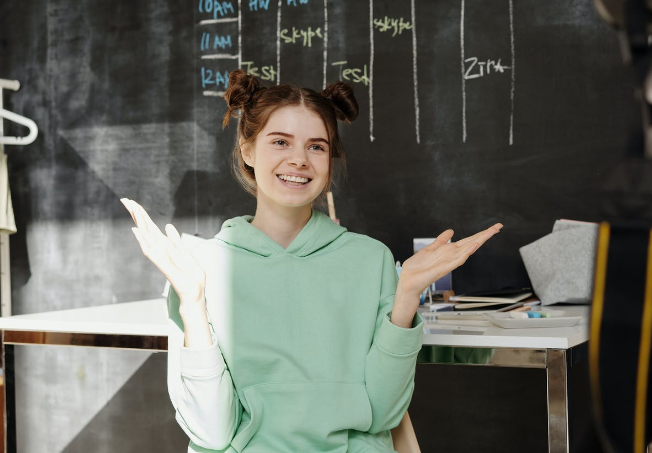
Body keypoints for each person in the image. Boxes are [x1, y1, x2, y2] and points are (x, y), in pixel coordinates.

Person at [120, 69, 502, 453]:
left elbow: (384, 413)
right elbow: (211, 431)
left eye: (316, 146)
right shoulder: (196, 268)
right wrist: (192, 302)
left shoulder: (370, 260)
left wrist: (406, 297)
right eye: (281, 142)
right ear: (247, 150)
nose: (299, 159)